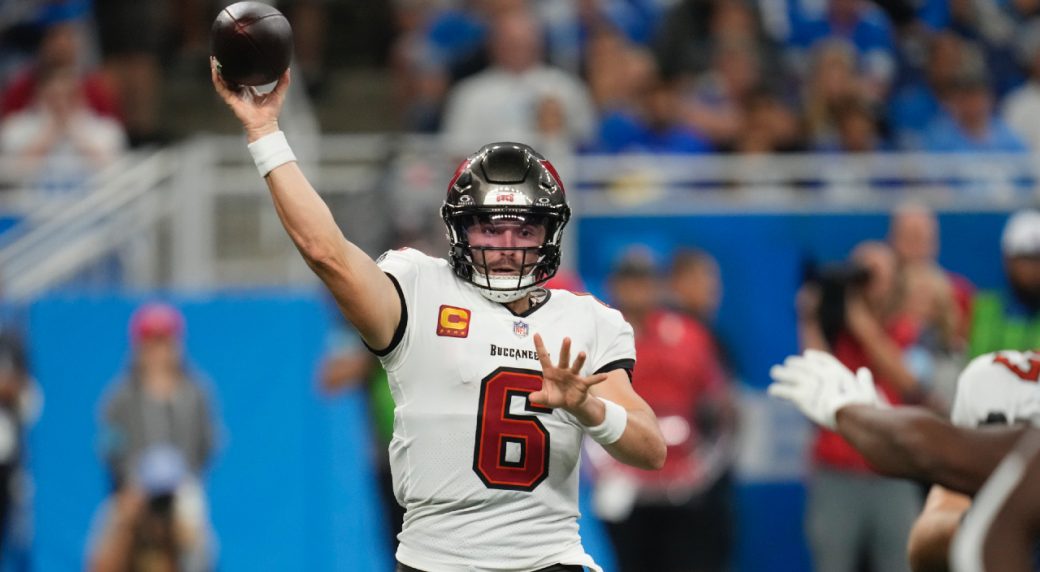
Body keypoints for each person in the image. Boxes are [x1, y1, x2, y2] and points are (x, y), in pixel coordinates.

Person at [211, 61, 666, 571]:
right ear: (459, 230)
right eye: (489, 228)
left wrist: (590, 409)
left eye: (524, 229)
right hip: (436, 561)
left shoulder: (586, 319)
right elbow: (326, 252)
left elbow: (651, 448)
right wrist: (265, 133)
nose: (507, 246)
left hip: (547, 560)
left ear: (549, 235)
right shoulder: (419, 287)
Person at [768, 348, 1040, 572]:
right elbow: (925, 544)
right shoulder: (999, 382)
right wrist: (993, 520)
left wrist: (852, 413)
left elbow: (923, 448)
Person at [591, 250, 733, 572]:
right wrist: (606, 472)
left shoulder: (690, 336)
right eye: (629, 280)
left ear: (658, 285)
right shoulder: (595, 338)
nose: (636, 290)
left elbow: (723, 415)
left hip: (685, 491)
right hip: (623, 489)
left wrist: (700, 473)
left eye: (644, 280)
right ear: (613, 285)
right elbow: (580, 411)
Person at [797, 240, 923, 572]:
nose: (865, 282)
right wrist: (810, 319)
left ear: (895, 280)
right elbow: (815, 378)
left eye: (874, 273)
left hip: (893, 472)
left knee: (900, 563)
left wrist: (859, 319)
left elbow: (907, 381)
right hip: (837, 473)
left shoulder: (906, 327)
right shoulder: (836, 331)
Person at [969, 209, 1040, 357]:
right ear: (1008, 261)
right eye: (1025, 259)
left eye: (1037, 259)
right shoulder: (985, 307)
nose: (1033, 269)